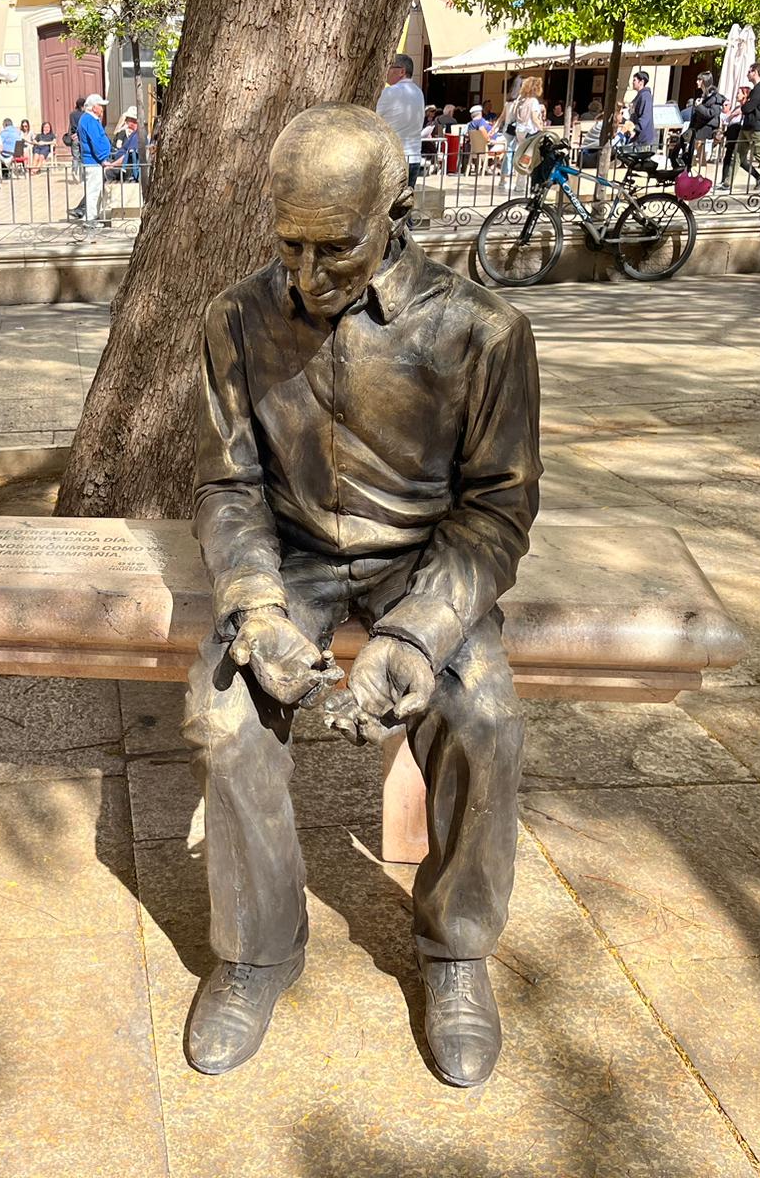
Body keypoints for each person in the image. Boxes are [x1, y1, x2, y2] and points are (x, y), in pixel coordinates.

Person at [183, 101, 540, 1086]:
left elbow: (498, 511)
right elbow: (228, 485)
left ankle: (456, 952)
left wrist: (422, 632)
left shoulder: (483, 332)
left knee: (487, 719)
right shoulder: (234, 320)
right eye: (288, 246)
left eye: (334, 248)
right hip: (289, 557)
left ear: (396, 207)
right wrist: (254, 605)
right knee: (223, 717)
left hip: (423, 562)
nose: (305, 276)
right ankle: (255, 952)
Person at [723, 62, 760, 194]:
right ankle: (727, 183)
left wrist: (744, 106)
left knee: (759, 155)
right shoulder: (755, 89)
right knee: (738, 155)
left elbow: (748, 107)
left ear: (755, 72)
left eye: (749, 72)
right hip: (747, 126)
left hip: (756, 127)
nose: (747, 74)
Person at [374, 52, 425, 188]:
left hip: (393, 159)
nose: (386, 72)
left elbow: (371, 117)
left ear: (402, 71)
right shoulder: (418, 92)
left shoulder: (390, 92)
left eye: (390, 68)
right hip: (414, 157)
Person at [71, 93, 115, 227]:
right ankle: (90, 220)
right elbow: (95, 140)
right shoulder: (89, 120)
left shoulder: (89, 119)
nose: (102, 109)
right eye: (101, 106)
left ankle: (91, 218)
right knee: (93, 191)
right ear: (94, 107)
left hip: (94, 161)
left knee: (95, 191)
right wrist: (103, 159)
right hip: (94, 162)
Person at [677, 72, 722, 171]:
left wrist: (699, 106)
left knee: (698, 149)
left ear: (704, 81)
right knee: (695, 148)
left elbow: (710, 113)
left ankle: (699, 172)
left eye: (699, 80)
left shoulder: (714, 97)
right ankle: (694, 171)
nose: (697, 82)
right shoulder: (702, 94)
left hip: (705, 127)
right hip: (697, 125)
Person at [627, 71, 655, 147]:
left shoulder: (645, 96)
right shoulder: (640, 95)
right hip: (638, 137)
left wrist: (636, 130)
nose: (632, 82)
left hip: (643, 138)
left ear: (641, 82)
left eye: (634, 80)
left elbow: (645, 116)